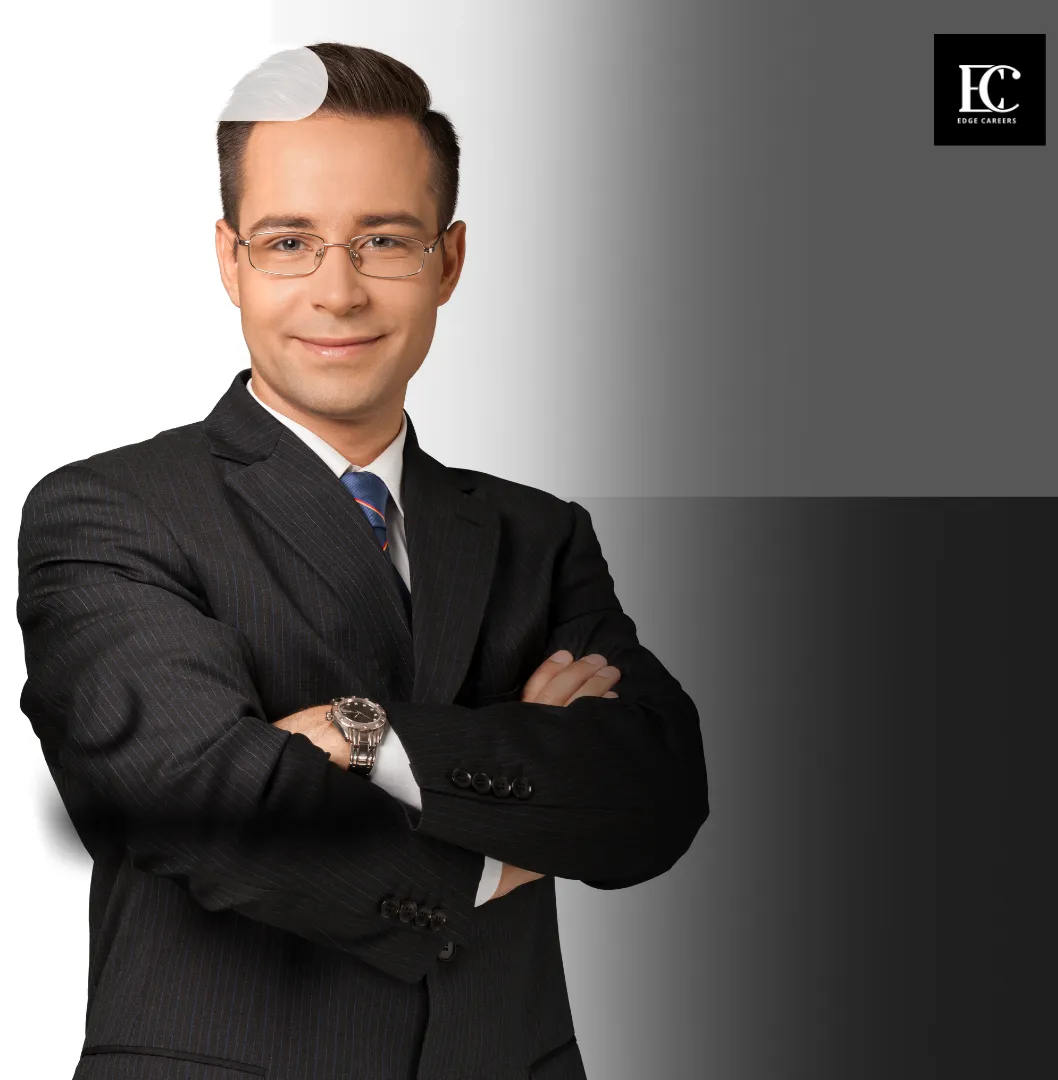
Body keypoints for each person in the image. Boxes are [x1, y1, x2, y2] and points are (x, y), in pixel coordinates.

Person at [16, 42, 709, 1080]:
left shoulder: (536, 533)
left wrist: (366, 736)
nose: (336, 292)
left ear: (450, 259)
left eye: (383, 239)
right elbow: (210, 808)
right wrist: (521, 829)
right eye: (289, 240)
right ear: (229, 258)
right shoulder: (112, 512)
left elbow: (655, 795)